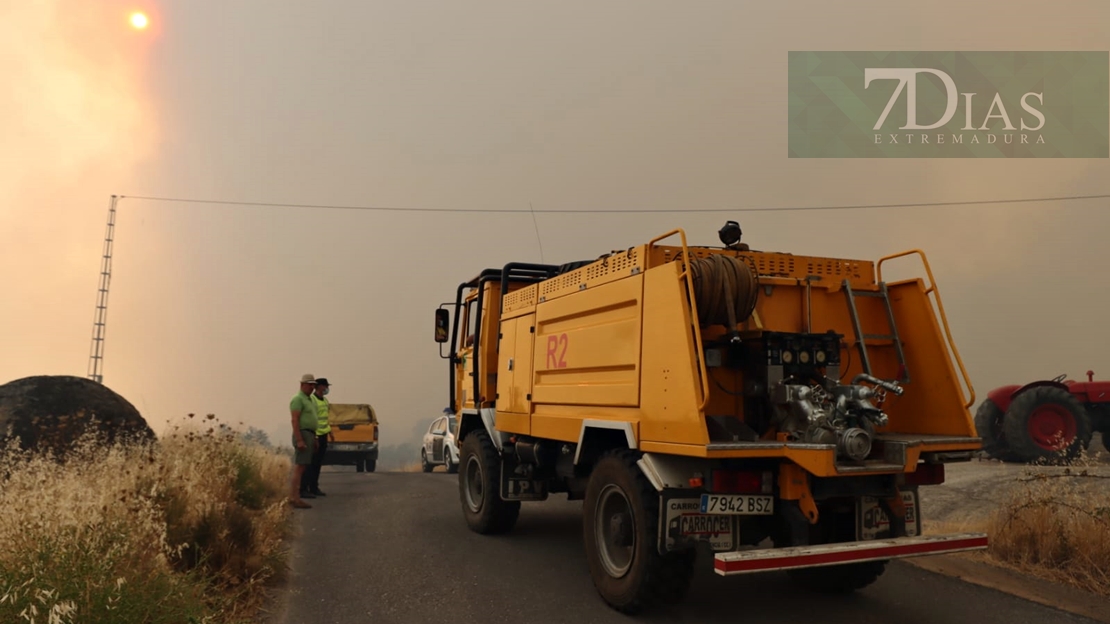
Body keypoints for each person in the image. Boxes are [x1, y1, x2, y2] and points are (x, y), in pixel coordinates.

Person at [288, 373, 319, 509]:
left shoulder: (309, 400)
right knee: (300, 467)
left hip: (310, 434)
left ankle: (296, 496)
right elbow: (295, 420)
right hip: (303, 433)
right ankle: (294, 497)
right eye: (309, 384)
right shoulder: (298, 399)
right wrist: (299, 439)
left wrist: (315, 437)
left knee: (304, 466)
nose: (312, 387)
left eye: (313, 385)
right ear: (302, 385)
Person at [302, 377, 332, 497]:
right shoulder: (312, 400)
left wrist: (329, 431)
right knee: (311, 463)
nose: (327, 389)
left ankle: (314, 487)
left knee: (318, 463)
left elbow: (325, 418)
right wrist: (314, 436)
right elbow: (313, 418)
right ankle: (306, 487)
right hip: (315, 435)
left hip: (324, 434)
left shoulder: (325, 401)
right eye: (325, 386)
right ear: (319, 386)